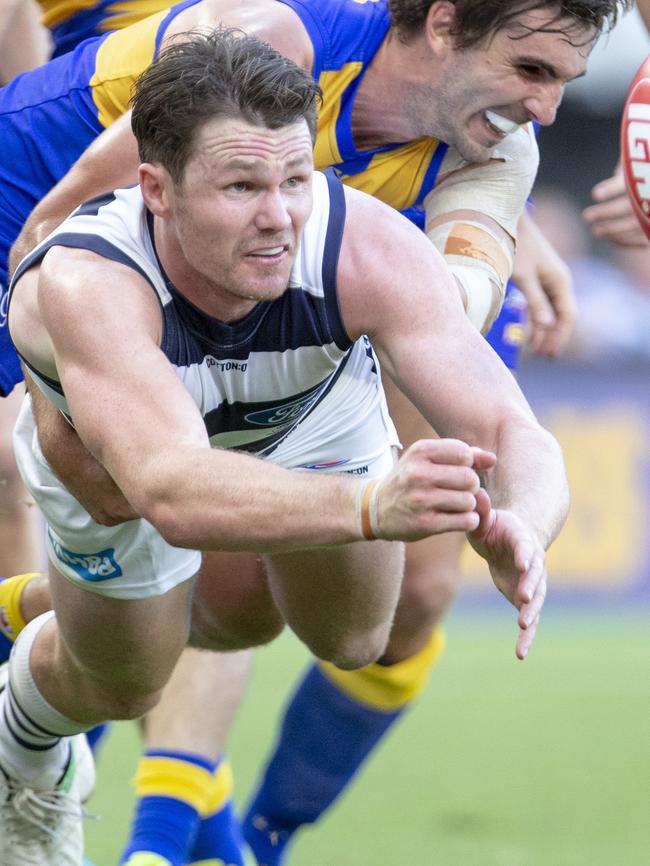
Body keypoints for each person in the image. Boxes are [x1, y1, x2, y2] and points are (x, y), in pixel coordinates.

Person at [0, 2, 625, 863]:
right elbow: (171, 485)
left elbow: (501, 399)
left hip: (248, 301)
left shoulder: (403, 206)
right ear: (443, 25)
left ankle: (85, 652)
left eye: (298, 184)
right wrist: (374, 500)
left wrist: (527, 515)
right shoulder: (285, 43)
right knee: (121, 624)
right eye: (531, 72)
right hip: (57, 211)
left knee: (343, 630)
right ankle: (41, 742)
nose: (547, 108)